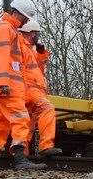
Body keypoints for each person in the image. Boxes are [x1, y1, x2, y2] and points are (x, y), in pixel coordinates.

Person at [0, 0, 46, 170]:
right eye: (24, 18)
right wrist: (3, 82)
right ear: (17, 13)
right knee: (21, 118)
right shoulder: (5, 28)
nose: (25, 22)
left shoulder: (7, 29)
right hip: (6, 86)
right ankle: (19, 158)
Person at [18, 19, 61, 157]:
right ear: (31, 33)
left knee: (27, 125)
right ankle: (46, 146)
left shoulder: (29, 49)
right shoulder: (22, 46)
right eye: (37, 33)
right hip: (29, 89)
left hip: (30, 90)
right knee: (47, 108)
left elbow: (39, 69)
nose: (38, 36)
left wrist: (41, 53)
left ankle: (22, 157)